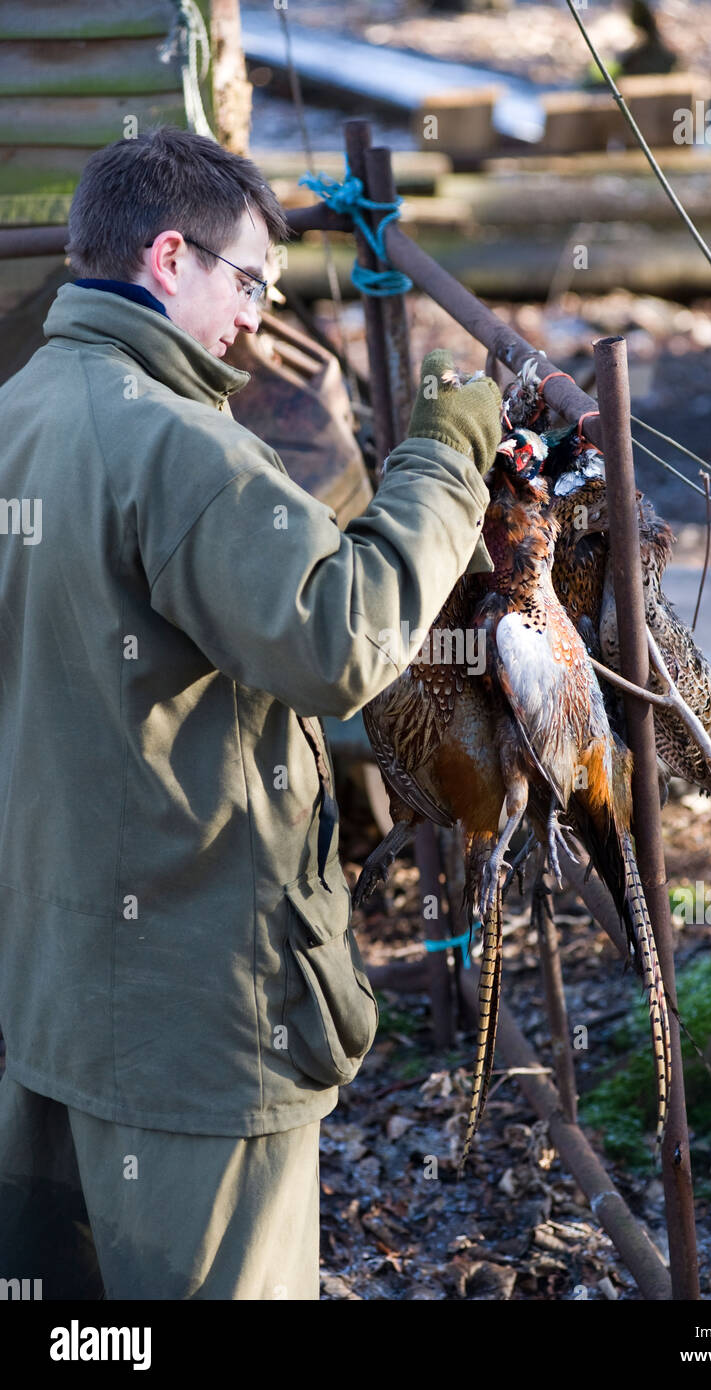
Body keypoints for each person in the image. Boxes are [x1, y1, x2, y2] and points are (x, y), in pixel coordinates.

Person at [0, 127, 501, 1300]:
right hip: (198, 1019)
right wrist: (443, 456)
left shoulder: (20, 404)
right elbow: (343, 642)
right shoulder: (177, 447)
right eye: (249, 283)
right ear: (170, 258)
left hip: (52, 992)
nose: (252, 320)